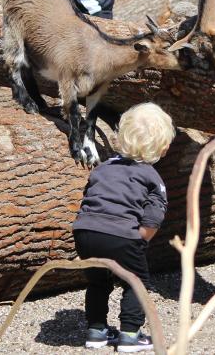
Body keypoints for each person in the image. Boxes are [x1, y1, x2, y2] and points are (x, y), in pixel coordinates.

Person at [72, 102, 175, 352]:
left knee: (98, 281)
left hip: (85, 232)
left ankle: (96, 331)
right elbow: (154, 215)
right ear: (163, 148)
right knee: (136, 282)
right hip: (122, 236)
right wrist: (139, 239)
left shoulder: (104, 168)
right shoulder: (152, 177)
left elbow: (90, 196)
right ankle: (130, 334)